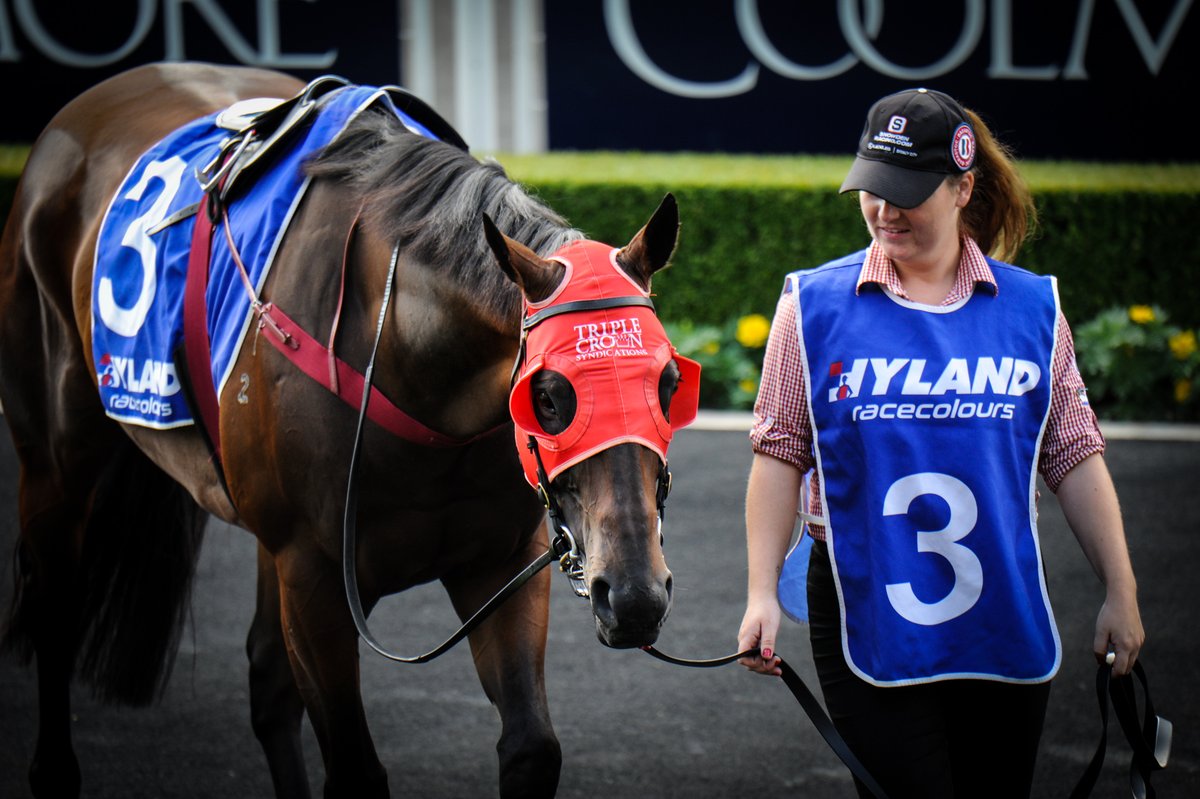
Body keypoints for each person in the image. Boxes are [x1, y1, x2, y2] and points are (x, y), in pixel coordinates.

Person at [736, 87, 1144, 798]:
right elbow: (780, 450)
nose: (885, 210)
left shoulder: (1033, 308)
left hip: (1002, 608)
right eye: (872, 189)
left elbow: (1073, 453)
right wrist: (761, 591)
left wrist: (1123, 589)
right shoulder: (811, 305)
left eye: (906, 192)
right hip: (861, 603)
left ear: (962, 187)